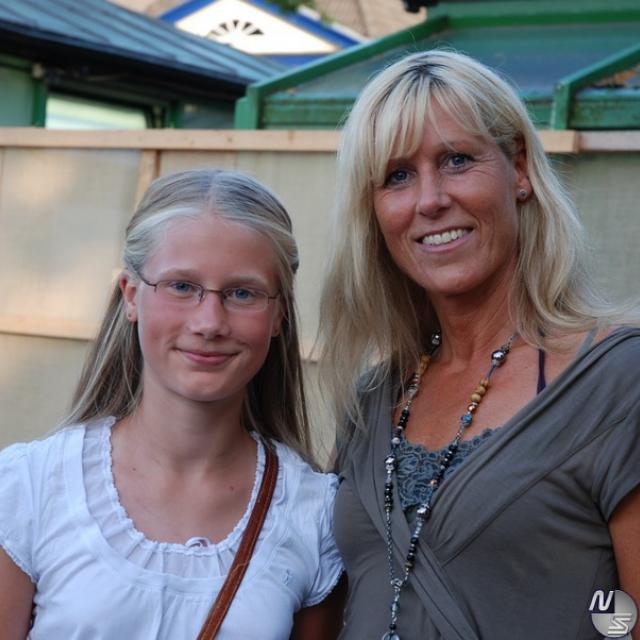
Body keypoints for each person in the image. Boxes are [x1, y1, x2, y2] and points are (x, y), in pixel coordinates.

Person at [318, 50, 640, 639]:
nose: (429, 199)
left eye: (457, 160)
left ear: (519, 168)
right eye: (397, 176)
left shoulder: (619, 381)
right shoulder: (372, 398)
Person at [0, 169, 344, 639]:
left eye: (242, 293)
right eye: (182, 286)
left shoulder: (313, 515)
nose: (209, 322)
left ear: (279, 313)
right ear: (131, 295)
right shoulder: (31, 488)